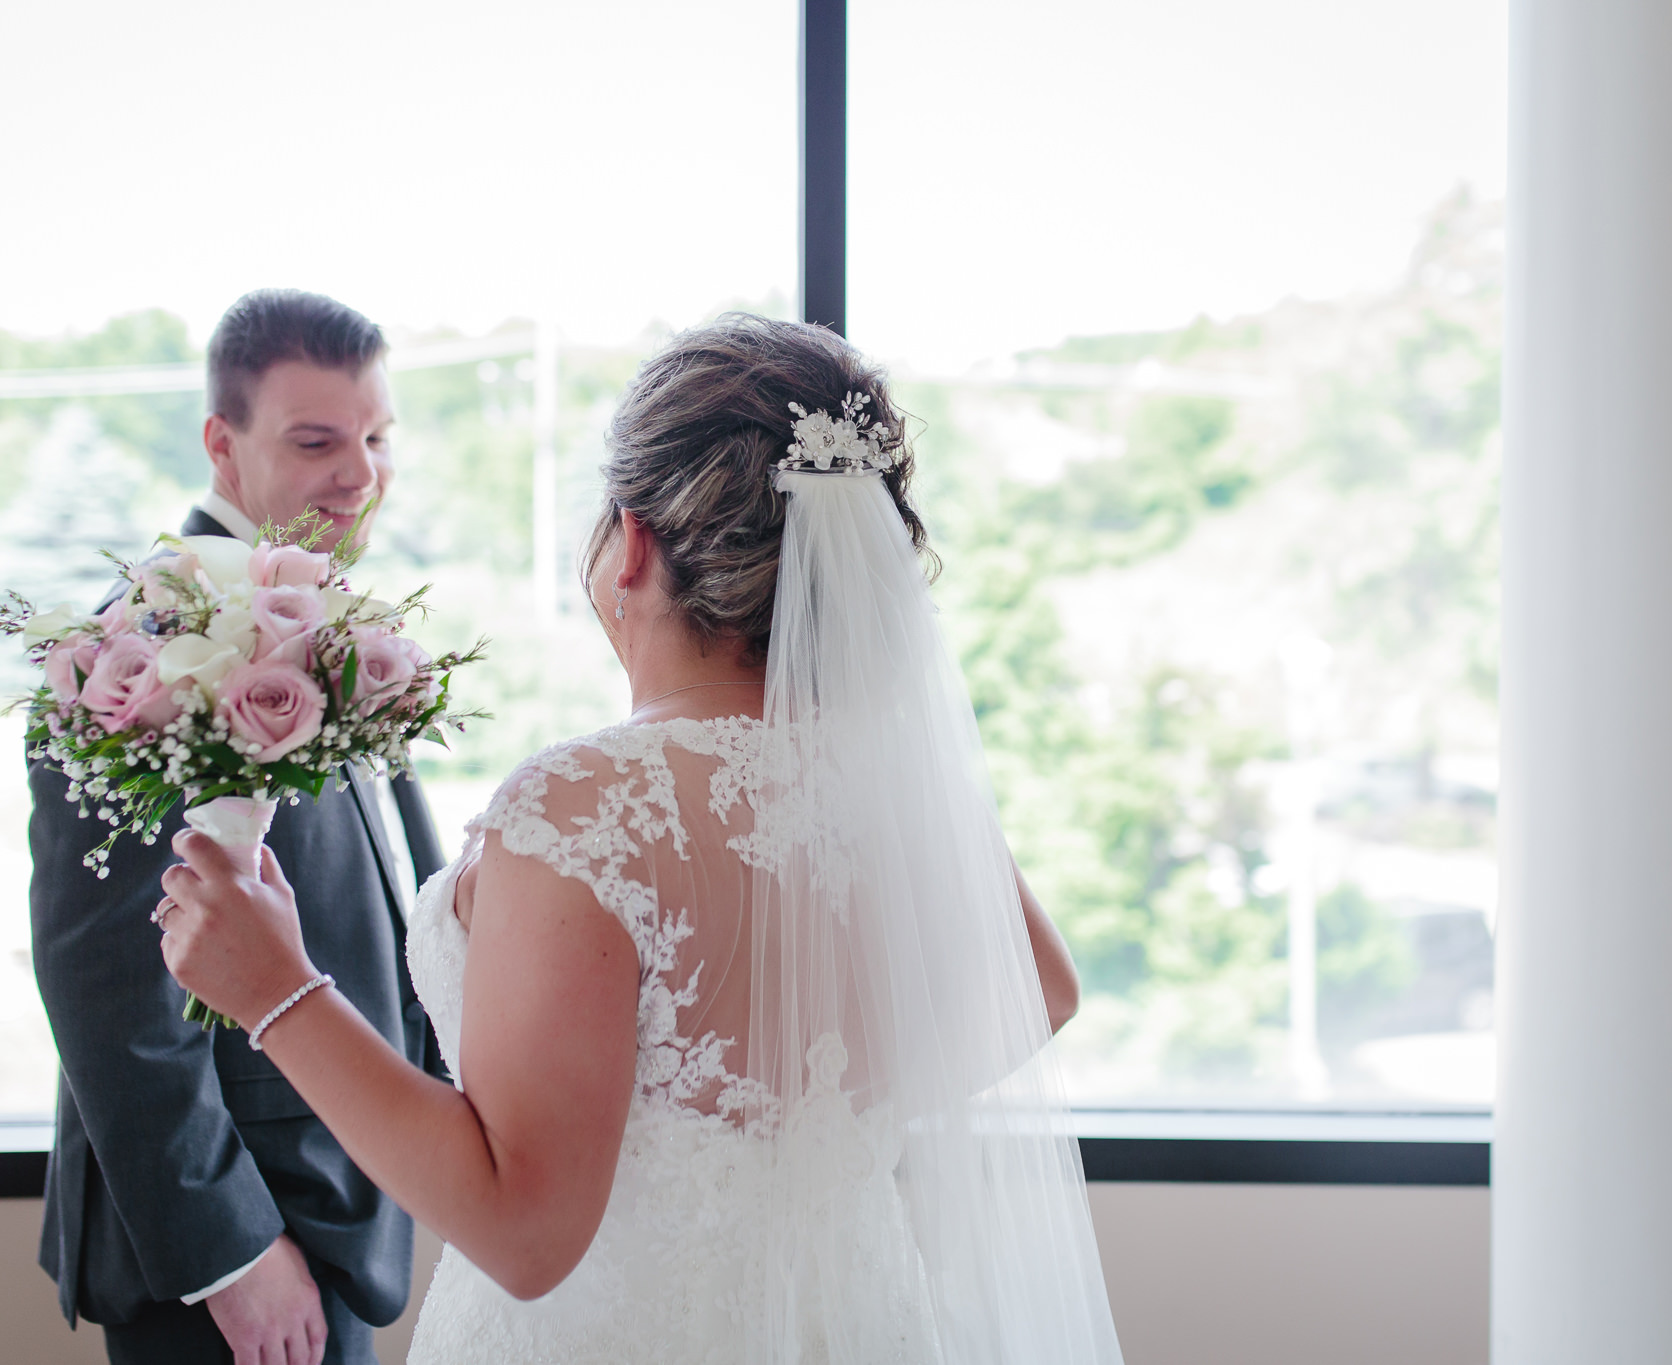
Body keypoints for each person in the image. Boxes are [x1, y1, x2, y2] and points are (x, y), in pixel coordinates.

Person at [155, 314, 1126, 1362]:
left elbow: (525, 1240)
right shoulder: (885, 779)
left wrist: (279, 996)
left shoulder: (579, 805)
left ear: (634, 541)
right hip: (846, 1320)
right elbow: (1043, 992)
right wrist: (806, 1124)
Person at [29, 288, 447, 1365]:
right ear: (223, 445)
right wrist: (231, 1252)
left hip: (349, 1194)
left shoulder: (334, 619)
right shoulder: (130, 649)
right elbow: (104, 975)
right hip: (241, 1238)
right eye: (316, 441)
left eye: (374, 438)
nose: (359, 472)